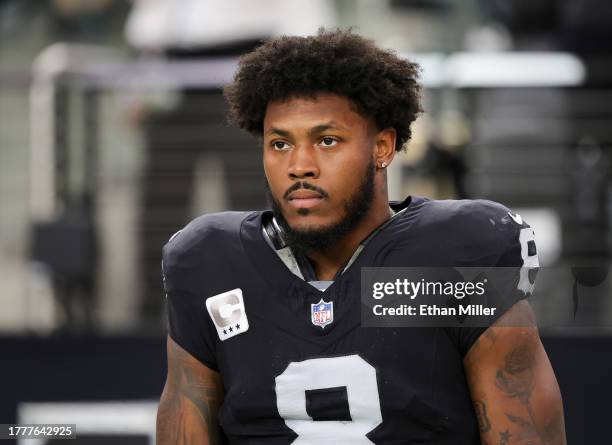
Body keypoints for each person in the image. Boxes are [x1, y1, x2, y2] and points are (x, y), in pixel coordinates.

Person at [156, 29, 566, 444]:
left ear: (383, 148)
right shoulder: (211, 261)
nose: (299, 166)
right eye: (280, 143)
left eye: (326, 140)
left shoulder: (457, 255)